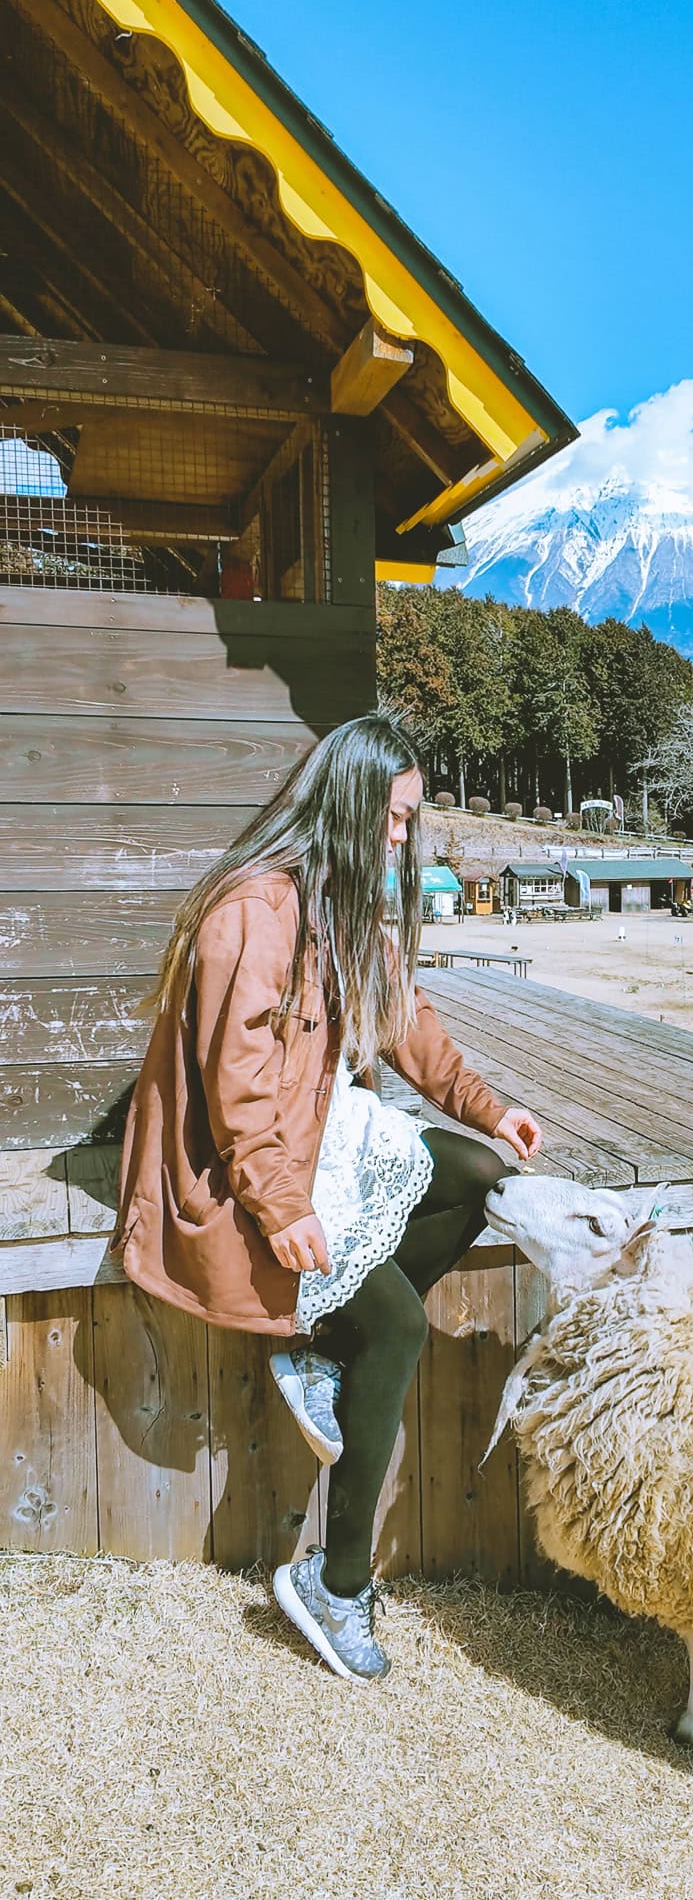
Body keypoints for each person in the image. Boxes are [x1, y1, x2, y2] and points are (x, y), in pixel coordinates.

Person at [112, 712, 541, 1683]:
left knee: (480, 1174)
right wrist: (283, 1209)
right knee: (395, 1326)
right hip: (233, 1181)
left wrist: (490, 1105)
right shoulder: (251, 911)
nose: (404, 836)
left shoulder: (347, 904)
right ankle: (335, 1584)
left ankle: (319, 1349)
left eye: (409, 819)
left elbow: (407, 1019)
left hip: (314, 1139)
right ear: (350, 805)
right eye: (395, 818)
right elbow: (237, 1088)